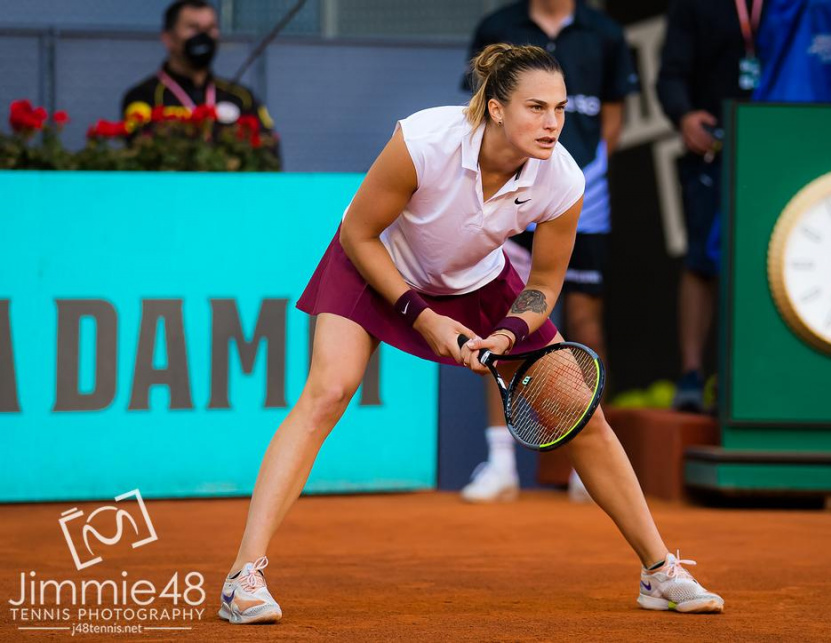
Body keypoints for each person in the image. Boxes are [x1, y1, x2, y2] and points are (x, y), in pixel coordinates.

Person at [219, 43, 723, 624]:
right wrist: (422, 316)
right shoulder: (424, 141)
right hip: (375, 263)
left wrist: (510, 333)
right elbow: (358, 233)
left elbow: (545, 283)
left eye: (560, 108)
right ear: (495, 108)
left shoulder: (562, 176)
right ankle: (243, 577)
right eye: (536, 107)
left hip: (479, 283)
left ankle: (659, 571)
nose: (552, 122)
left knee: (579, 411)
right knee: (328, 391)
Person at [459, 0, 637, 504]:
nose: (551, 117)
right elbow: (483, 115)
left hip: (582, 194)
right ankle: (500, 464)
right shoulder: (497, 26)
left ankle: (586, 465)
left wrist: (577, 180)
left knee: (586, 321)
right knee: (503, 324)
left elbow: (613, 119)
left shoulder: (604, 32)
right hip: (512, 198)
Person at [656, 0, 758, 412]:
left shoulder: (792, 7)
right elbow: (670, 75)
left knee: (772, 260)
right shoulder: (695, 5)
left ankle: (748, 374)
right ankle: (693, 374)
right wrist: (683, 115)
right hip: (714, 145)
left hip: (784, 142)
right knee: (702, 259)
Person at [121, 0, 278, 154]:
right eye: (193, 28)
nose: (203, 36)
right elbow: (139, 151)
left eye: (210, 29)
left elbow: (270, 153)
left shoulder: (240, 96)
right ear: (168, 38)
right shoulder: (144, 96)